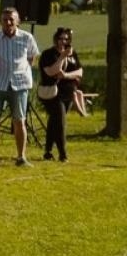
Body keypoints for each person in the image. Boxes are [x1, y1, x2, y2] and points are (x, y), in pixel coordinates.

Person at [0, 6, 40, 167]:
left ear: (18, 21)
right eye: (5, 20)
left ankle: (21, 157)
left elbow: (31, 58)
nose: (8, 22)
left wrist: (19, 71)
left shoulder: (27, 38)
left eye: (11, 20)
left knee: (19, 121)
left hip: (19, 84)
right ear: (0, 21)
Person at [38, 27, 85, 162]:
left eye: (66, 39)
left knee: (54, 122)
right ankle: (63, 154)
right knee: (61, 122)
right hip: (52, 93)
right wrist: (62, 57)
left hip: (68, 93)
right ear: (55, 39)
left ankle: (47, 151)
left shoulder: (73, 54)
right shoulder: (48, 54)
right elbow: (51, 72)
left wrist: (66, 75)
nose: (63, 41)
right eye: (60, 38)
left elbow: (80, 72)